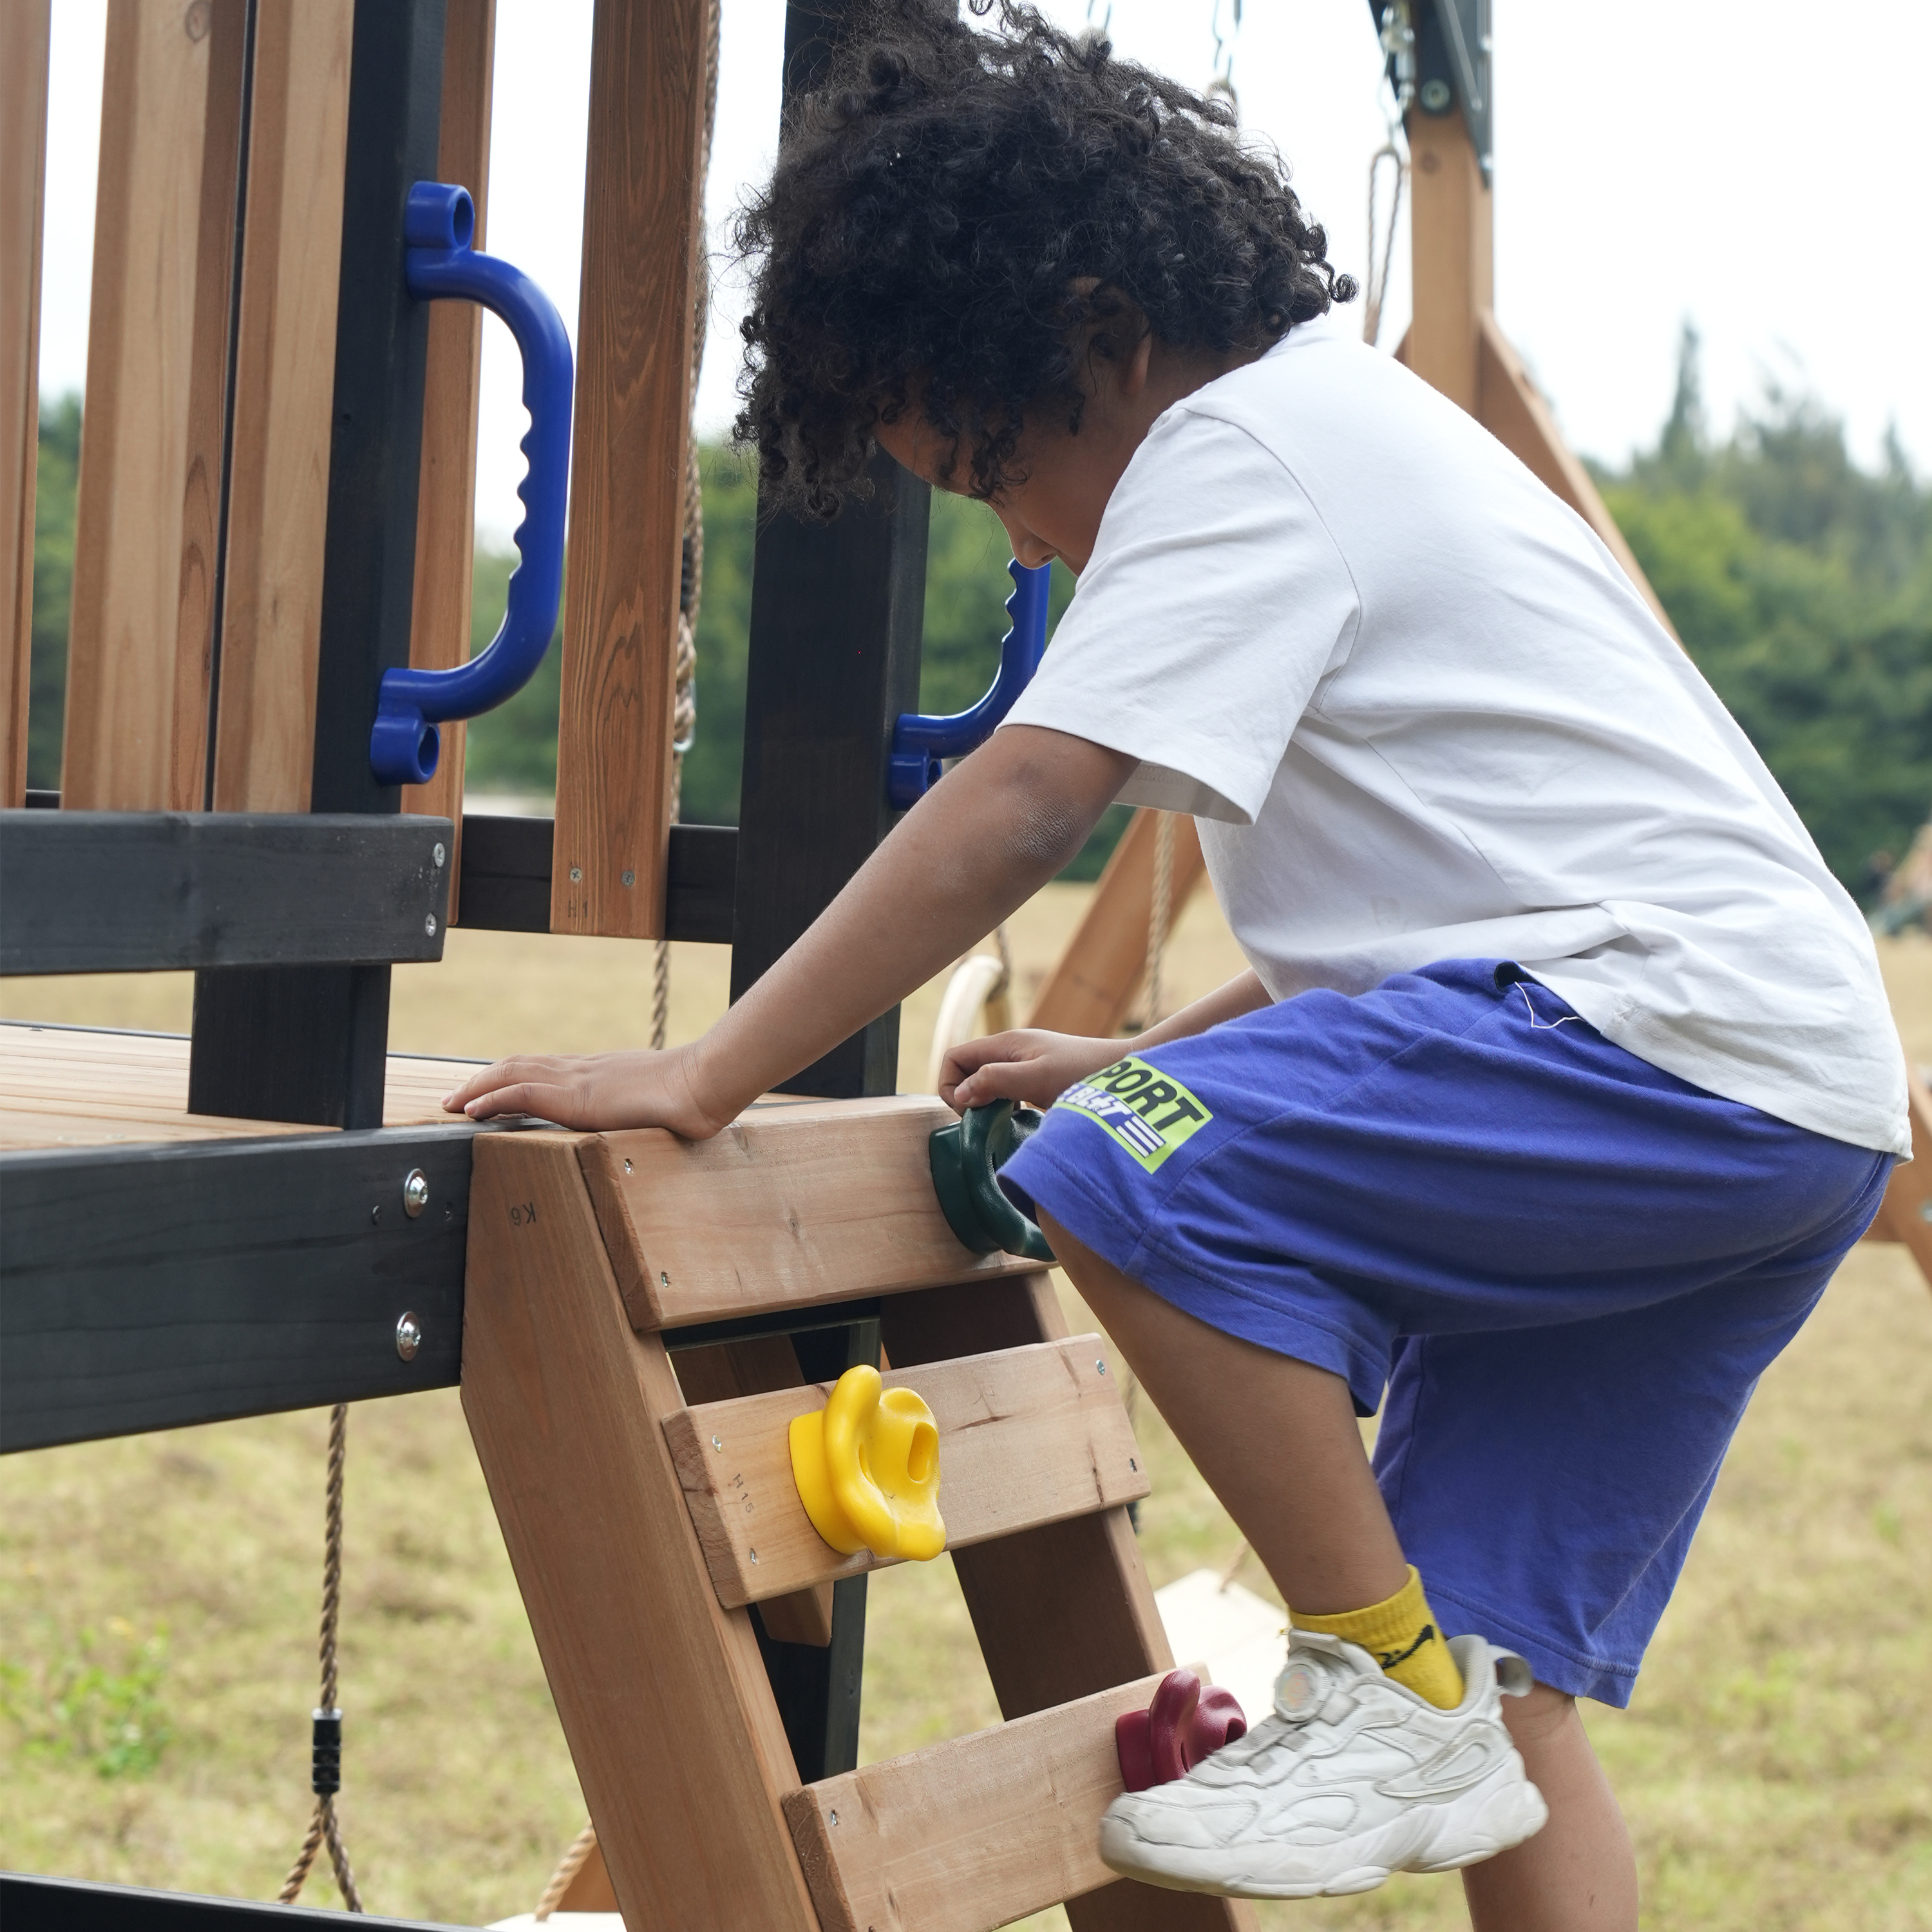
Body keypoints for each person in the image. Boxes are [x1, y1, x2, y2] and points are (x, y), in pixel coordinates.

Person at [444, 5, 1905, 1924]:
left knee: (1125, 1160)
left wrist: (708, 1069)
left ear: (1105, 342)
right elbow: (1428, 938)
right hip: (1788, 1104)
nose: (1025, 539)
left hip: (1652, 1053)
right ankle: (1417, 1678)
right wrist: (1141, 1041)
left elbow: (1026, 795)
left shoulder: (1238, 453)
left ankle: (1367, 1674)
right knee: (1515, 1706)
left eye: (992, 477)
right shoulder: (1364, 434)